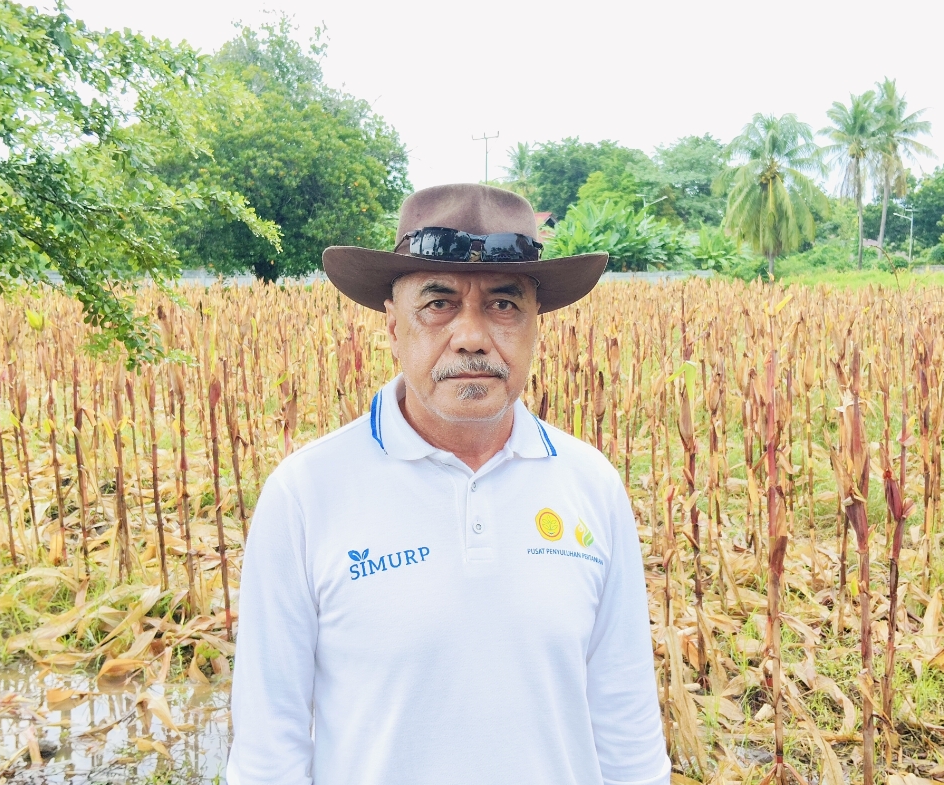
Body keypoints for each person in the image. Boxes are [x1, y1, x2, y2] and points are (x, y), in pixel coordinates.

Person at [227, 183, 670, 785]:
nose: (471, 336)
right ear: (392, 324)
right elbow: (267, 752)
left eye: (504, 304)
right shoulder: (305, 494)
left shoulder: (591, 484)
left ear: (536, 325)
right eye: (439, 303)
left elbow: (626, 726)